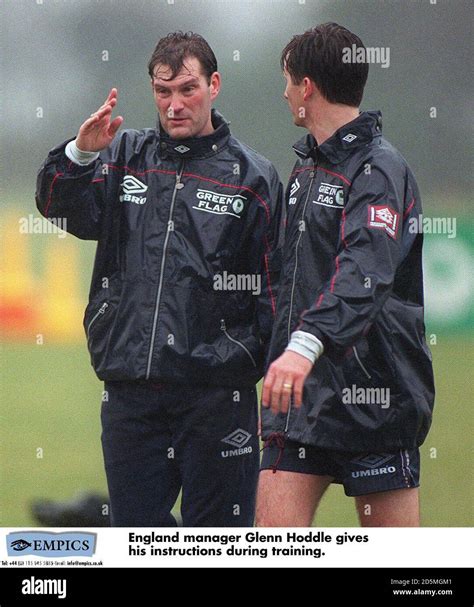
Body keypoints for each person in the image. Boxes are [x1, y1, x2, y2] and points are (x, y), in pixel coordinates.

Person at [36, 32, 283, 527]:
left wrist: (244, 361)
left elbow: (275, 292)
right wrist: (81, 156)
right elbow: (59, 210)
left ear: (214, 85)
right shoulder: (122, 154)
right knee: (137, 540)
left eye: (187, 90)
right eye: (163, 91)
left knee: (218, 546)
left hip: (217, 397)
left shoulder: (253, 178)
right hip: (130, 392)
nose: (174, 105)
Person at [257, 23, 435, 527]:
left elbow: (365, 271)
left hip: (376, 399)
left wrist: (304, 345)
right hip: (299, 401)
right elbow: (286, 277)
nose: (284, 91)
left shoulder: (380, 170)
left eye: (288, 79)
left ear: (307, 88)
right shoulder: (306, 169)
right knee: (268, 555)